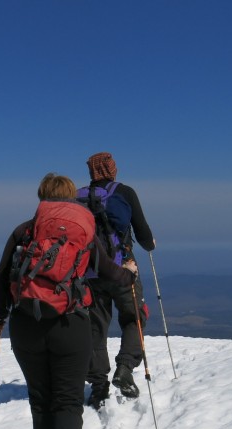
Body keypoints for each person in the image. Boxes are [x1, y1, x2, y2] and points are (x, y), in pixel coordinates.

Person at [0, 173, 137, 429]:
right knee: (68, 400)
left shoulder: (24, 231)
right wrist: (129, 271)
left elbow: (2, 275)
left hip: (26, 324)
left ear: (42, 195)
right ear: (72, 197)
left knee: (40, 398)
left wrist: (1, 314)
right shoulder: (83, 233)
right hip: (71, 325)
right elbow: (109, 273)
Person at [80, 152, 157, 409]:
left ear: (91, 172)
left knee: (95, 327)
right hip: (124, 268)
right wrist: (149, 243)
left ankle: (98, 386)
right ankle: (125, 368)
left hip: (91, 272)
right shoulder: (125, 192)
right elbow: (143, 233)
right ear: (113, 170)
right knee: (134, 316)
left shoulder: (78, 197)